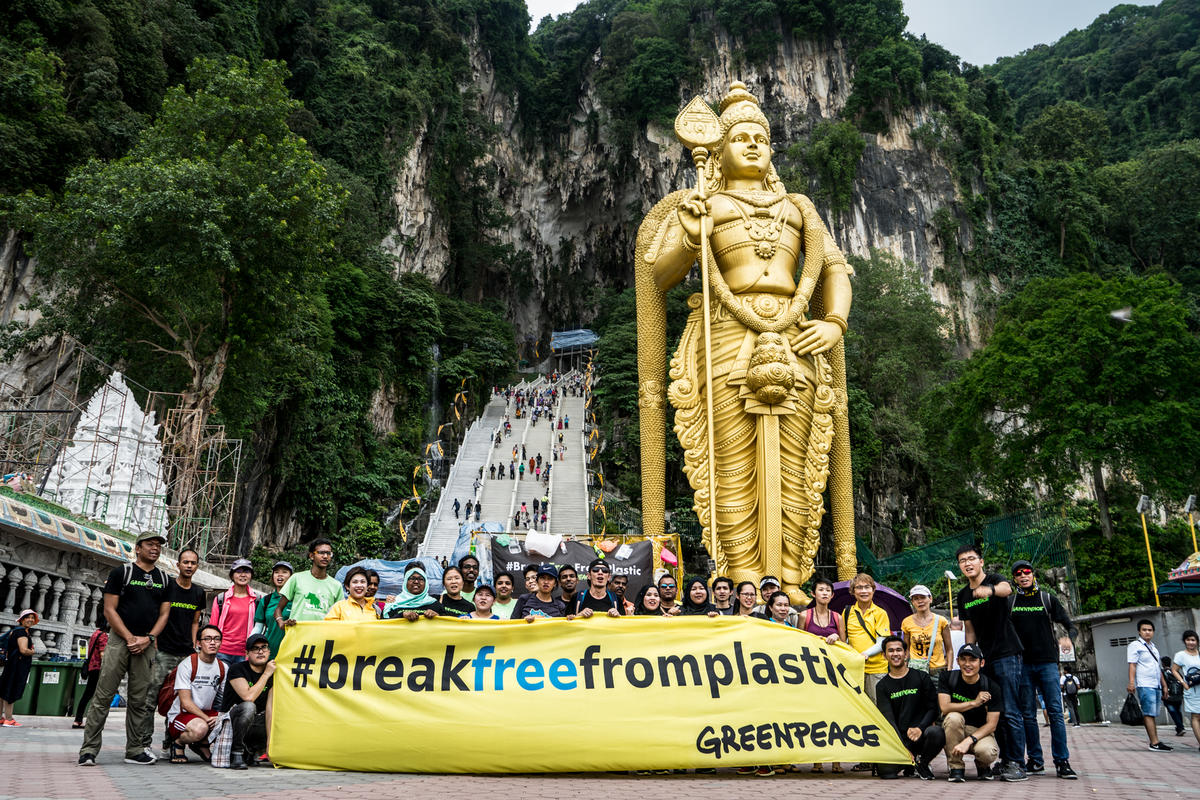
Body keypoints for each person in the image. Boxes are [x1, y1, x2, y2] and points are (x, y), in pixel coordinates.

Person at [78, 532, 170, 767]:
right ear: (137, 548)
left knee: (139, 699)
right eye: (150, 544)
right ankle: (88, 750)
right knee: (103, 696)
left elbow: (164, 613)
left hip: (146, 644)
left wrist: (148, 638)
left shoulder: (164, 578)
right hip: (120, 641)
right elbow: (110, 610)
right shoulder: (122, 573)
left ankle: (135, 749)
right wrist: (130, 638)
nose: (155, 549)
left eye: (159, 546)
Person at [955, 543, 1026, 780]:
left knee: (1010, 710)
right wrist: (969, 657)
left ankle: (1016, 762)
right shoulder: (963, 595)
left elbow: (1007, 589)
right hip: (985, 658)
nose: (967, 563)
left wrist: (990, 591)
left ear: (981, 561)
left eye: (971, 558)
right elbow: (970, 630)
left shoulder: (995, 579)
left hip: (1007, 653)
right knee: (994, 710)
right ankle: (1006, 760)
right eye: (963, 560)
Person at [1007, 560, 1079, 778]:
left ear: (1033, 574)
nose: (1023, 576)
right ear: (1014, 578)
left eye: (1027, 571)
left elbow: (1070, 625)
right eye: (1019, 574)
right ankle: (1035, 760)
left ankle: (1062, 761)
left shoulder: (1047, 599)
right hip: (1023, 664)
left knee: (1056, 713)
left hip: (1047, 662)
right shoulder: (1010, 602)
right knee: (1027, 715)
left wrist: (1069, 638)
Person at [142, 547, 204, 753]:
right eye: (185, 562)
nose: (188, 566)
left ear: (197, 567)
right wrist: (155, 641)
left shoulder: (198, 592)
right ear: (177, 565)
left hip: (186, 654)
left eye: (192, 563)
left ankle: (172, 742)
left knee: (179, 701)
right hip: (163, 652)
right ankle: (143, 743)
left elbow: (196, 621)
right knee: (152, 697)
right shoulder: (167, 587)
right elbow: (156, 615)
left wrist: (194, 645)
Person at [875, 636, 944, 780]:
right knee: (885, 772)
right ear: (884, 655)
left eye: (899, 650)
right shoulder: (882, 686)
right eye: (891, 651)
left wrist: (920, 727)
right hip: (900, 740)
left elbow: (933, 709)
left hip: (921, 734)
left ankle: (922, 764)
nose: (895, 654)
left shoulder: (921, 677)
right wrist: (902, 749)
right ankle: (908, 764)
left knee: (937, 732)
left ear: (906, 653)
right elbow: (889, 719)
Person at [800, 576, 845, 776]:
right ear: (813, 593)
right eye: (821, 590)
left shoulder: (837, 617)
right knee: (815, 715)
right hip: (811, 672)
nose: (824, 593)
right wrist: (813, 639)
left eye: (828, 590)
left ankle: (836, 759)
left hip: (832, 672)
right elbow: (797, 643)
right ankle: (816, 760)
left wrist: (836, 637)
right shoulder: (804, 616)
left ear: (832, 595)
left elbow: (845, 646)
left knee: (834, 714)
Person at [940, 643, 1002, 783]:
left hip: (980, 732)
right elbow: (945, 708)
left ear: (982, 663)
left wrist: (968, 741)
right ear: (957, 661)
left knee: (987, 752)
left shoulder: (991, 686)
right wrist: (974, 703)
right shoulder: (948, 678)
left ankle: (983, 765)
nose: (967, 664)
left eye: (973, 660)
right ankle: (956, 767)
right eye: (963, 659)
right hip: (955, 729)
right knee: (953, 717)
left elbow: (992, 725)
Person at [165, 624, 226, 764]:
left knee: (230, 722)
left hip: (205, 713)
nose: (212, 642)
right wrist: (207, 719)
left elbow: (224, 699)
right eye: (208, 639)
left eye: (217, 639)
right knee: (200, 728)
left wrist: (221, 717)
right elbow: (185, 702)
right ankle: (178, 743)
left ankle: (202, 744)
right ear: (199, 643)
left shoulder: (223, 667)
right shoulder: (188, 665)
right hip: (182, 715)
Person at [221, 633, 275, 769]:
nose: (261, 651)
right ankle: (236, 752)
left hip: (255, 722)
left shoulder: (275, 673)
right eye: (255, 648)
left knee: (278, 714)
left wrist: (270, 744)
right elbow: (248, 697)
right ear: (247, 653)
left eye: (264, 647)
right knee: (248, 706)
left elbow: (270, 708)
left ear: (269, 651)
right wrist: (266, 674)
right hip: (231, 723)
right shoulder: (237, 669)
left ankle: (252, 750)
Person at [1128, 618, 1173, 751]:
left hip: (1156, 684)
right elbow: (1132, 665)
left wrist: (1164, 685)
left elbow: (1158, 668)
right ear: (1139, 632)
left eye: (1150, 630)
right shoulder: (1135, 646)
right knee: (1148, 713)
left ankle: (1156, 741)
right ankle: (1154, 742)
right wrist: (1131, 682)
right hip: (1144, 683)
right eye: (1144, 630)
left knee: (1153, 713)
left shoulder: (1154, 647)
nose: (1147, 632)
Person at [277, 539, 343, 629]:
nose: (325, 556)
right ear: (312, 556)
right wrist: (281, 622)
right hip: (297, 635)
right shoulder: (297, 578)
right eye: (321, 552)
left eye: (328, 553)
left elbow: (340, 616)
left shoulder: (336, 586)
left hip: (322, 638)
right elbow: (278, 609)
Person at [845, 573, 889, 702]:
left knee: (877, 705)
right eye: (859, 587)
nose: (863, 591)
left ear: (873, 590)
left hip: (876, 668)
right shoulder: (847, 612)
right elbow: (845, 639)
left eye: (867, 587)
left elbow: (882, 643)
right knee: (856, 705)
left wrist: (865, 654)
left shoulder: (880, 613)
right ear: (853, 591)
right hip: (854, 668)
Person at [210, 558, 258, 665]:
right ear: (232, 575)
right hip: (222, 651)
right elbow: (213, 626)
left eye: (246, 571)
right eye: (238, 571)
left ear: (251, 576)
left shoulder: (257, 600)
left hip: (245, 653)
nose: (243, 575)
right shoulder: (221, 599)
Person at [900, 584, 952, 678]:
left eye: (923, 597)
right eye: (916, 598)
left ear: (930, 599)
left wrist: (949, 670)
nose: (920, 601)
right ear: (912, 602)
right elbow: (906, 649)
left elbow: (949, 649)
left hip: (937, 670)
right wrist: (905, 667)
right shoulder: (906, 622)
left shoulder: (941, 621)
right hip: (916, 670)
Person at [0, 609, 37, 727]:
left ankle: (1, 718)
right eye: (27, 617)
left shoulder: (14, 631)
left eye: (32, 617)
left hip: (10, 664)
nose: (30, 620)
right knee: (11, 690)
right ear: (21, 619)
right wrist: (32, 651)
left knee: (3, 690)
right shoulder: (22, 632)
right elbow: (23, 650)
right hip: (17, 666)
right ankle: (9, 719)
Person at [252, 561, 293, 659]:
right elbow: (258, 627)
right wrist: (251, 643)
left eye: (284, 572)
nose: (280, 575)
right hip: (267, 654)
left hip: (290, 655)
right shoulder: (266, 600)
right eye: (276, 572)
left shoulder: (297, 600)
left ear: (292, 577)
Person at [73, 618, 109, 728]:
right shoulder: (103, 636)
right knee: (98, 696)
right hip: (98, 668)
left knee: (87, 694)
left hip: (91, 667)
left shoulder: (95, 634)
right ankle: (94, 722)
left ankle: (78, 720)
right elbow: (103, 654)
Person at [1170, 629, 1200, 750]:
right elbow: (1174, 670)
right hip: (1192, 690)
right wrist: (1183, 683)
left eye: (1193, 640)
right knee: (1196, 716)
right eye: (1188, 640)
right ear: (1184, 641)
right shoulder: (1180, 655)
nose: (1190, 642)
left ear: (1197, 641)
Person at [1162, 655, 1186, 736]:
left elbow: (1162, 683)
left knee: (1173, 712)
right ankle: (1180, 728)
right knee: (1178, 712)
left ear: (1163, 664)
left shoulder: (1163, 672)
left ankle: (1180, 727)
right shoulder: (1175, 671)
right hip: (1178, 696)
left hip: (1168, 696)